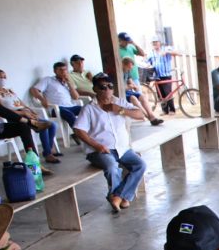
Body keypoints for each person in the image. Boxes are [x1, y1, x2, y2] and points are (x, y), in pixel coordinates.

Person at [73, 73, 147, 213]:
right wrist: (97, 145)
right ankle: (122, 197)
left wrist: (120, 110)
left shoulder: (119, 102)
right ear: (95, 89)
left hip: (122, 149)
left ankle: (117, 196)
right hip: (100, 150)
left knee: (140, 165)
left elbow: (140, 115)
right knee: (112, 167)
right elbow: (78, 130)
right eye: (102, 87)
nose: (106, 90)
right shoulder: (89, 108)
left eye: (109, 86)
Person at [0, 69, 60, 165]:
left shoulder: (9, 90)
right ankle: (48, 154)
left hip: (24, 113)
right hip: (13, 116)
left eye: (4, 77)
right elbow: (2, 111)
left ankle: (48, 149)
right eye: (0, 77)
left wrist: (29, 110)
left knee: (52, 125)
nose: (3, 79)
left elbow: (20, 103)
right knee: (43, 127)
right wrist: (23, 114)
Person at [30, 61, 82, 130]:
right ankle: (79, 134)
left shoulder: (68, 81)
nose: (63, 72)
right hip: (57, 108)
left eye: (65, 70)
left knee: (87, 110)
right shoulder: (48, 80)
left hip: (70, 106)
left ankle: (91, 132)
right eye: (60, 70)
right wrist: (42, 99)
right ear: (55, 71)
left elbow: (76, 97)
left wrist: (69, 83)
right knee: (70, 115)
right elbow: (34, 90)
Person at [121, 56, 164, 126]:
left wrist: (134, 86)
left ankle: (151, 116)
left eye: (131, 67)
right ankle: (150, 118)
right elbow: (119, 88)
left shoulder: (127, 71)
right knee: (133, 98)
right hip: (122, 92)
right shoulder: (118, 72)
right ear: (123, 64)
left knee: (143, 96)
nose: (130, 69)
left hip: (127, 91)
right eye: (129, 67)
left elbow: (130, 81)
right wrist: (128, 87)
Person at [148, 37, 179, 114]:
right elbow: (147, 62)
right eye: (153, 42)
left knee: (168, 93)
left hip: (166, 75)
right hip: (157, 76)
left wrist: (167, 52)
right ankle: (164, 110)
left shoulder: (165, 49)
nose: (155, 44)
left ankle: (172, 110)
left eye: (156, 42)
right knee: (160, 94)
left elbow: (176, 53)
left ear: (159, 43)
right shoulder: (151, 53)